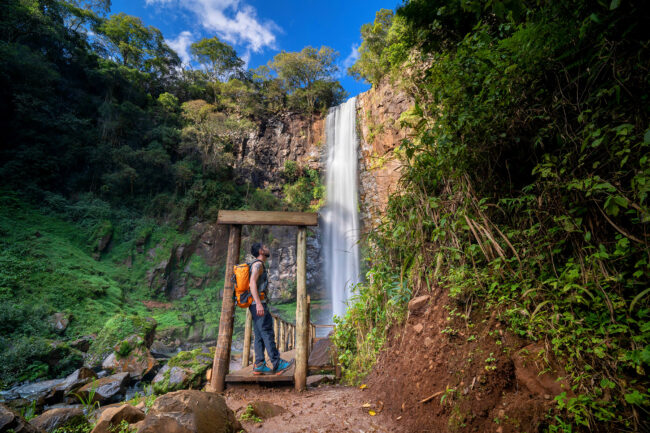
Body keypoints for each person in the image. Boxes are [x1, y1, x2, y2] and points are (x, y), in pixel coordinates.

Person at [248, 242, 294, 375]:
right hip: (258, 303)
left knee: (259, 335)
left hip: (254, 304)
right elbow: (252, 283)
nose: (268, 248)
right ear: (261, 251)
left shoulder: (256, 264)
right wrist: (258, 303)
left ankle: (259, 363)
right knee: (267, 332)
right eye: (265, 247)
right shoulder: (257, 265)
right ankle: (277, 362)